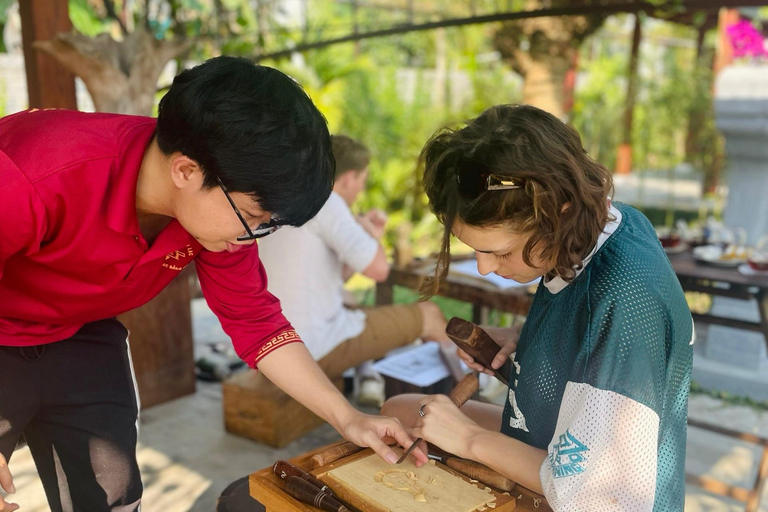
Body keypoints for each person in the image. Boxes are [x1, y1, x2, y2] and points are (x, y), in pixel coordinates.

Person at [0, 56, 425, 512]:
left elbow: (258, 324)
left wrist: (349, 418)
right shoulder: (33, 174)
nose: (253, 236)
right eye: (255, 218)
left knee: (113, 496)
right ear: (185, 171)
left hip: (82, 330)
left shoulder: (219, 213)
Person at [382, 104, 694, 511]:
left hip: (590, 484)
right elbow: (580, 332)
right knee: (398, 413)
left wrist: (468, 439)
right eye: (475, 250)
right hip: (557, 426)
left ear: (557, 213)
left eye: (500, 251)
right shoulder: (607, 223)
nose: (484, 266)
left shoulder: (625, 303)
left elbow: (592, 496)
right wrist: (522, 339)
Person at [258, 135, 455, 407]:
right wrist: (372, 234)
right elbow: (379, 270)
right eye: (362, 182)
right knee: (430, 314)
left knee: (352, 304)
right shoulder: (327, 201)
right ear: (349, 177)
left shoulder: (290, 198)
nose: (360, 190)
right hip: (308, 350)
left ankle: (369, 377)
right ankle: (475, 386)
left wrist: (361, 231)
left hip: (274, 344)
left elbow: (334, 277)